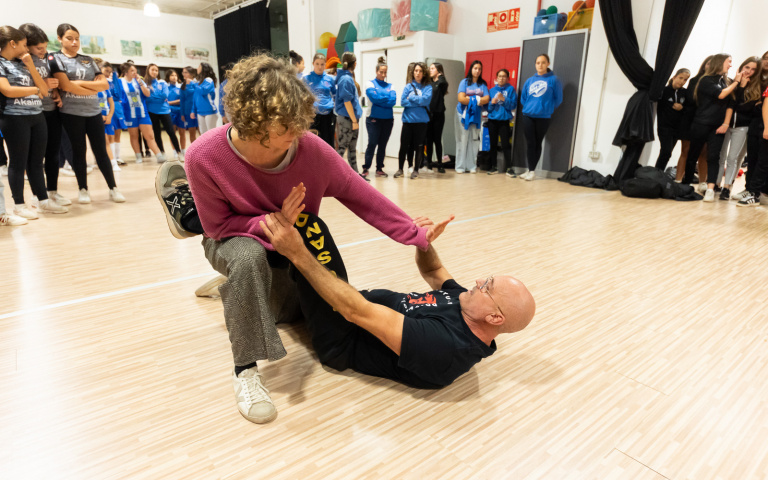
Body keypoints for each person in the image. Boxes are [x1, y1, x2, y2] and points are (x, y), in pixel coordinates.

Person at [171, 53, 439, 424]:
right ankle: (245, 371)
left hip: (287, 233)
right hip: (232, 233)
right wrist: (270, 223)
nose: (296, 134)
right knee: (247, 260)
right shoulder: (204, 155)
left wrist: (413, 232)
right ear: (252, 122)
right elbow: (216, 227)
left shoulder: (310, 149)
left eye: (299, 125)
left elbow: (361, 194)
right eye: (285, 129)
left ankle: (239, 287)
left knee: (289, 301)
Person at [260, 203, 535, 390]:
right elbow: (434, 269)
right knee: (301, 249)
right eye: (486, 278)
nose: (477, 281)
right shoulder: (467, 304)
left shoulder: (446, 346)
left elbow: (355, 312)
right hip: (354, 306)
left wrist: (296, 253)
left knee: (309, 228)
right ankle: (278, 282)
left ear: (495, 317)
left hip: (342, 331)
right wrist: (423, 243)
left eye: (487, 286)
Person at [50, 24, 124, 204]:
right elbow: (65, 86)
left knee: (101, 151)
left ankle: (113, 188)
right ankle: (83, 188)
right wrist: (88, 87)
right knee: (78, 151)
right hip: (71, 113)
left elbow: (104, 86)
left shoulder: (88, 60)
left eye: (77, 38)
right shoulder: (55, 58)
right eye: (69, 38)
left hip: (93, 112)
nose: (74, 42)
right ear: (60, 38)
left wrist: (76, 84)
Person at [0, 25, 68, 218]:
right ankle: (19, 205)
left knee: (37, 162)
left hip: (36, 116)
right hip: (14, 118)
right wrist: (35, 90)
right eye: (23, 45)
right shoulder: (1, 64)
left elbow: (44, 90)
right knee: (18, 163)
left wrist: (31, 66)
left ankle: (43, 200)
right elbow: (8, 90)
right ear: (12, 43)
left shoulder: (26, 63)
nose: (26, 48)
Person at [19, 23, 70, 207]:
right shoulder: (21, 61)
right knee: (35, 157)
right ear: (27, 45)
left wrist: (54, 91)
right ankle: (37, 194)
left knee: (53, 153)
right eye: (39, 48)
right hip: (33, 112)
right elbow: (23, 87)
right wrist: (44, 84)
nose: (43, 51)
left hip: (51, 111)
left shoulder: (47, 59)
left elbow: (51, 83)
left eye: (45, 47)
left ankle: (52, 191)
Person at [682, 54, 741, 202]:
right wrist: (736, 82)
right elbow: (721, 95)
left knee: (713, 157)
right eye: (729, 62)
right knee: (693, 155)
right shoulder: (705, 80)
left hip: (717, 127)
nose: (730, 65)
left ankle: (710, 189)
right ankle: (686, 184)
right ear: (720, 63)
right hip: (701, 123)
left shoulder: (725, 81)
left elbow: (730, 103)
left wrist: (725, 124)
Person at [718, 57, 761, 200]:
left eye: (753, 69)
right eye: (747, 67)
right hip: (726, 124)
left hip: (742, 127)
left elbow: (745, 107)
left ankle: (727, 187)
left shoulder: (756, 86)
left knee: (733, 158)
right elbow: (730, 104)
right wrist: (738, 84)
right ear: (742, 66)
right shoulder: (731, 82)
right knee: (721, 155)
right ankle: (717, 183)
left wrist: (742, 88)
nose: (749, 71)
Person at [517, 54, 563, 181]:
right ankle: (530, 170)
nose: (540, 65)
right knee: (530, 143)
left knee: (537, 143)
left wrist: (546, 108)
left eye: (543, 62)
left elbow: (558, 99)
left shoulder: (554, 80)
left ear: (548, 63)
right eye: (538, 63)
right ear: (535, 64)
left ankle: (531, 170)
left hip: (543, 117)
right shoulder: (529, 80)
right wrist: (529, 107)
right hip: (528, 115)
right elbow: (523, 98)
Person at [117, 62, 165, 164]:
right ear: (125, 72)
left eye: (135, 70)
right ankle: (138, 156)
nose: (135, 73)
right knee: (134, 136)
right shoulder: (119, 82)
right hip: (129, 113)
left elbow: (147, 94)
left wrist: (140, 82)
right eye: (132, 71)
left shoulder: (139, 80)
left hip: (143, 113)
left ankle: (159, 155)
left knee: (149, 136)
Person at [675, 56, 712, 184]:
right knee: (685, 150)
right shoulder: (694, 80)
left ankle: (702, 183)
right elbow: (692, 100)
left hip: (706, 121)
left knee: (703, 153)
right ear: (704, 65)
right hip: (690, 119)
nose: (710, 66)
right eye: (708, 63)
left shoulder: (719, 82)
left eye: (713, 64)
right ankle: (678, 180)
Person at [397, 62, 432, 179]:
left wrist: (412, 98)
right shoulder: (408, 87)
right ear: (413, 72)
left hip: (421, 122)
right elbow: (403, 102)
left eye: (420, 71)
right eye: (416, 71)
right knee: (404, 146)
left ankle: (416, 170)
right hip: (408, 121)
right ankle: (400, 169)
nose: (418, 73)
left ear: (423, 73)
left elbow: (426, 101)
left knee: (419, 147)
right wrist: (419, 102)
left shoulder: (428, 87)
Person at [362, 56, 396, 178]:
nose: (383, 74)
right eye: (381, 72)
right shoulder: (369, 83)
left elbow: (393, 101)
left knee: (383, 144)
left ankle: (379, 168)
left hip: (388, 120)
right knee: (372, 143)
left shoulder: (390, 85)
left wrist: (380, 99)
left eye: (385, 72)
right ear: (376, 71)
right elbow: (374, 98)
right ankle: (366, 168)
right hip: (373, 119)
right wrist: (384, 98)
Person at [737, 83, 768, 206]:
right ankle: (753, 193)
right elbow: (766, 104)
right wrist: (767, 127)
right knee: (762, 161)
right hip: (762, 127)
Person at [456, 60, 489, 174]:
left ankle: (471, 166)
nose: (477, 71)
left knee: (474, 140)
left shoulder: (483, 84)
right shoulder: (464, 82)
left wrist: (470, 99)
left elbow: (486, 99)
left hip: (476, 115)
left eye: (479, 69)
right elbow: (461, 98)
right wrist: (477, 99)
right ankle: (460, 166)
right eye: (475, 68)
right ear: (471, 69)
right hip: (463, 114)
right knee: (463, 140)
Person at [334, 52, 364, 178]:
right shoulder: (346, 79)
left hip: (351, 118)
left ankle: (355, 175)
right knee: (341, 148)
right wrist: (354, 121)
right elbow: (347, 102)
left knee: (352, 148)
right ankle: (335, 175)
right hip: (347, 119)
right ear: (355, 64)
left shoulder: (348, 78)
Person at [654, 68, 690, 171]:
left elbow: (690, 108)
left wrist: (682, 108)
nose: (682, 81)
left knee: (667, 153)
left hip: (677, 128)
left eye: (685, 80)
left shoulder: (685, 93)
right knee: (666, 151)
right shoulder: (664, 91)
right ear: (674, 77)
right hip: (664, 127)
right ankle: (656, 173)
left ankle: (659, 173)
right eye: (680, 78)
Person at [145, 63, 181, 159]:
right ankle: (162, 152)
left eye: (156, 70)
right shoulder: (145, 84)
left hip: (165, 111)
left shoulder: (162, 83)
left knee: (171, 132)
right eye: (152, 70)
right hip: (152, 111)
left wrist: (152, 95)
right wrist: (156, 97)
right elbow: (147, 98)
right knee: (157, 133)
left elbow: (165, 95)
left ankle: (179, 152)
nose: (155, 72)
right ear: (148, 70)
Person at [486, 68, 517, 175]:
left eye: (504, 76)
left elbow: (513, 105)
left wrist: (504, 99)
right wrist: (492, 103)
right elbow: (488, 109)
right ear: (496, 78)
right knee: (493, 144)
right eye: (499, 76)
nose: (501, 78)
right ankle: (493, 166)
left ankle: (509, 168)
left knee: (505, 145)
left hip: (504, 121)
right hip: (492, 121)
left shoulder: (511, 89)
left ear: (507, 78)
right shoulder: (491, 90)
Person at [303, 53, 336, 147]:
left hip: (327, 115)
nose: (320, 67)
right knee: (313, 142)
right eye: (317, 64)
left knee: (328, 142)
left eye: (322, 64)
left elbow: (335, 94)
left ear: (325, 65)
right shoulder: (306, 78)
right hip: (312, 115)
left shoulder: (330, 79)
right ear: (313, 63)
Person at [426, 62, 449, 174]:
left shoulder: (441, 82)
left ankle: (440, 164)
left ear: (438, 71)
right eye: (430, 68)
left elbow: (444, 82)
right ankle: (429, 163)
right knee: (428, 140)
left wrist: (440, 76)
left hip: (439, 114)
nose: (430, 70)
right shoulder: (429, 83)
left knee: (437, 140)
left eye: (432, 68)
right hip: (429, 114)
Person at [96, 74, 118, 171]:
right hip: (96, 116)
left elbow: (111, 103)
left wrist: (109, 115)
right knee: (104, 141)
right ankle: (112, 163)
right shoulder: (91, 88)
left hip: (108, 116)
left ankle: (113, 160)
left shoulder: (106, 88)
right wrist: (99, 116)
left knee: (110, 138)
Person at [190, 62, 218, 134]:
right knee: (203, 134)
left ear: (204, 69)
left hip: (209, 111)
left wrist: (193, 84)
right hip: (200, 112)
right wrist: (193, 110)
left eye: (199, 67)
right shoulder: (198, 82)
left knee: (211, 135)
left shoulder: (208, 80)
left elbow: (203, 91)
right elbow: (195, 98)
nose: (197, 68)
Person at [178, 66, 198, 151]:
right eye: (183, 72)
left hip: (197, 110)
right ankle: (195, 150)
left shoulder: (196, 83)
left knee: (202, 131)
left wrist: (192, 83)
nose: (184, 74)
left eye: (186, 72)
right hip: (187, 111)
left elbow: (199, 93)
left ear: (191, 73)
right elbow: (182, 100)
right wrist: (182, 113)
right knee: (191, 132)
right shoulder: (183, 85)